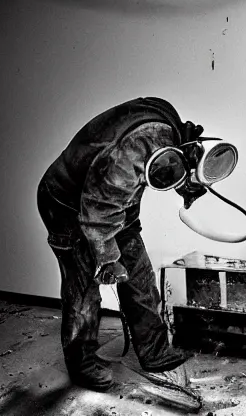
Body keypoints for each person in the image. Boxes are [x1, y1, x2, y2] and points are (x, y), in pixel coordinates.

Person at [37, 97, 210, 391]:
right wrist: (106, 258)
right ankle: (82, 364)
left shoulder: (168, 133)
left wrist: (189, 183)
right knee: (84, 289)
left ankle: (154, 351)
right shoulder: (131, 153)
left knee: (139, 275)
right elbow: (98, 212)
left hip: (115, 206)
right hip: (66, 205)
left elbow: (165, 167)